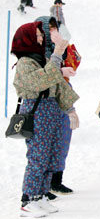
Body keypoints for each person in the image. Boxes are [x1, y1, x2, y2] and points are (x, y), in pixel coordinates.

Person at [12, 21, 79, 217]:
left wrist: (70, 109)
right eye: (38, 36)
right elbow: (44, 80)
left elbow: (58, 84)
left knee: (51, 155)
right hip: (37, 112)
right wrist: (57, 54)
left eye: (41, 35)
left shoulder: (42, 59)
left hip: (51, 111)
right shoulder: (25, 62)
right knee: (38, 156)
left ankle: (40, 194)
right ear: (28, 39)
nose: (41, 39)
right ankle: (28, 198)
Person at [35, 16, 80, 198]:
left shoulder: (59, 48)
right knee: (46, 144)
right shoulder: (35, 51)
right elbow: (42, 75)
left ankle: (56, 180)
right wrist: (60, 70)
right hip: (46, 100)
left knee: (63, 138)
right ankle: (41, 187)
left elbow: (68, 65)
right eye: (50, 28)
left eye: (56, 27)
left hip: (62, 92)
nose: (54, 31)